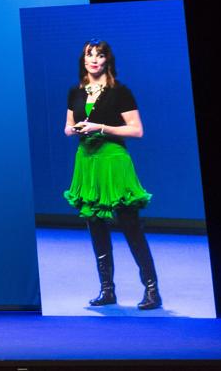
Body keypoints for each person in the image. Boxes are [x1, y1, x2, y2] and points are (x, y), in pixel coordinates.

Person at [63, 39, 160, 310]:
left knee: (130, 226)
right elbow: (67, 126)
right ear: (83, 60)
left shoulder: (120, 92)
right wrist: (75, 129)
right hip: (87, 162)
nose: (94, 59)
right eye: (89, 55)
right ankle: (107, 291)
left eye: (100, 55)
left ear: (108, 60)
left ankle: (152, 290)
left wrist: (101, 127)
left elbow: (136, 130)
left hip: (113, 162)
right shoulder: (76, 91)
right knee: (95, 226)